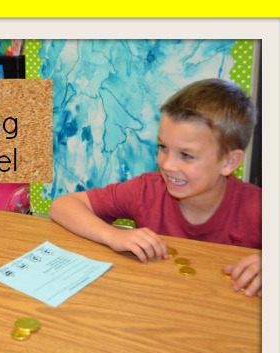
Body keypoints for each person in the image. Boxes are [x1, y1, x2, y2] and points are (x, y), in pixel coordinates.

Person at [49, 78, 261, 297]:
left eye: (186, 155)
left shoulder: (258, 207)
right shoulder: (147, 190)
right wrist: (113, 235)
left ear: (229, 162)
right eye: (163, 147)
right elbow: (62, 206)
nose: (167, 165)